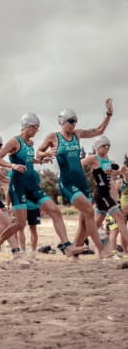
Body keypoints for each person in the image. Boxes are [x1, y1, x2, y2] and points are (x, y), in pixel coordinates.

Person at [0, 112, 85, 259]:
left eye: (38, 127)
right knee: (20, 224)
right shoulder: (15, 141)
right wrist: (13, 165)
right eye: (35, 127)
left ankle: (67, 247)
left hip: (32, 185)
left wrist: (40, 161)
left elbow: (27, 159)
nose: (37, 130)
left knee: (55, 211)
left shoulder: (30, 144)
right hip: (18, 185)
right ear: (26, 126)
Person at [36, 100, 113, 258]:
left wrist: (109, 114)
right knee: (89, 212)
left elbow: (99, 130)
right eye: (71, 121)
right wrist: (47, 154)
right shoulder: (53, 137)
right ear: (62, 121)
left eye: (75, 121)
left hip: (82, 182)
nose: (74, 124)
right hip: (67, 183)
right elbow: (38, 152)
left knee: (84, 223)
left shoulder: (77, 134)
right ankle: (101, 250)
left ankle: (73, 255)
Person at [81, 135, 128, 254]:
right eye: (106, 146)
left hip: (105, 194)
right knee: (120, 218)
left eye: (109, 146)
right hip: (102, 194)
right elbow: (78, 164)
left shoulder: (106, 158)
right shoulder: (93, 158)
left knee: (95, 226)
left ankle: (75, 245)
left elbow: (109, 174)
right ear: (98, 146)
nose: (108, 148)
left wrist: (120, 172)